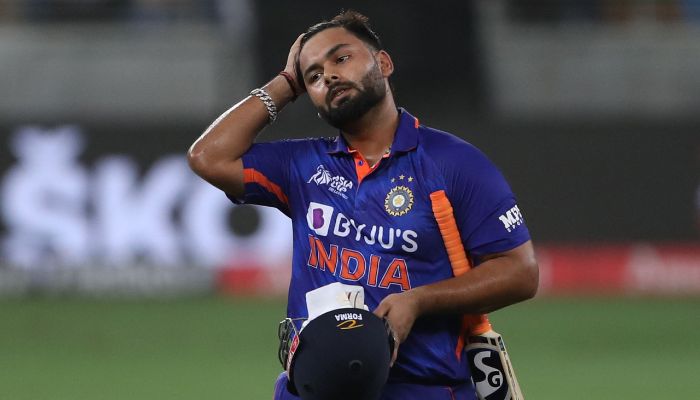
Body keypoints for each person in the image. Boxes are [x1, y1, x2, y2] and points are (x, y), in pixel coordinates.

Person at [188, 10, 539, 400]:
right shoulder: (302, 166)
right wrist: (285, 83)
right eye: (314, 76)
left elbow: (520, 273)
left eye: (341, 59)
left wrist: (419, 301)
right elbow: (208, 157)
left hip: (422, 389)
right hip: (312, 389)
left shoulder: (453, 163)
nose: (330, 76)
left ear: (383, 63)